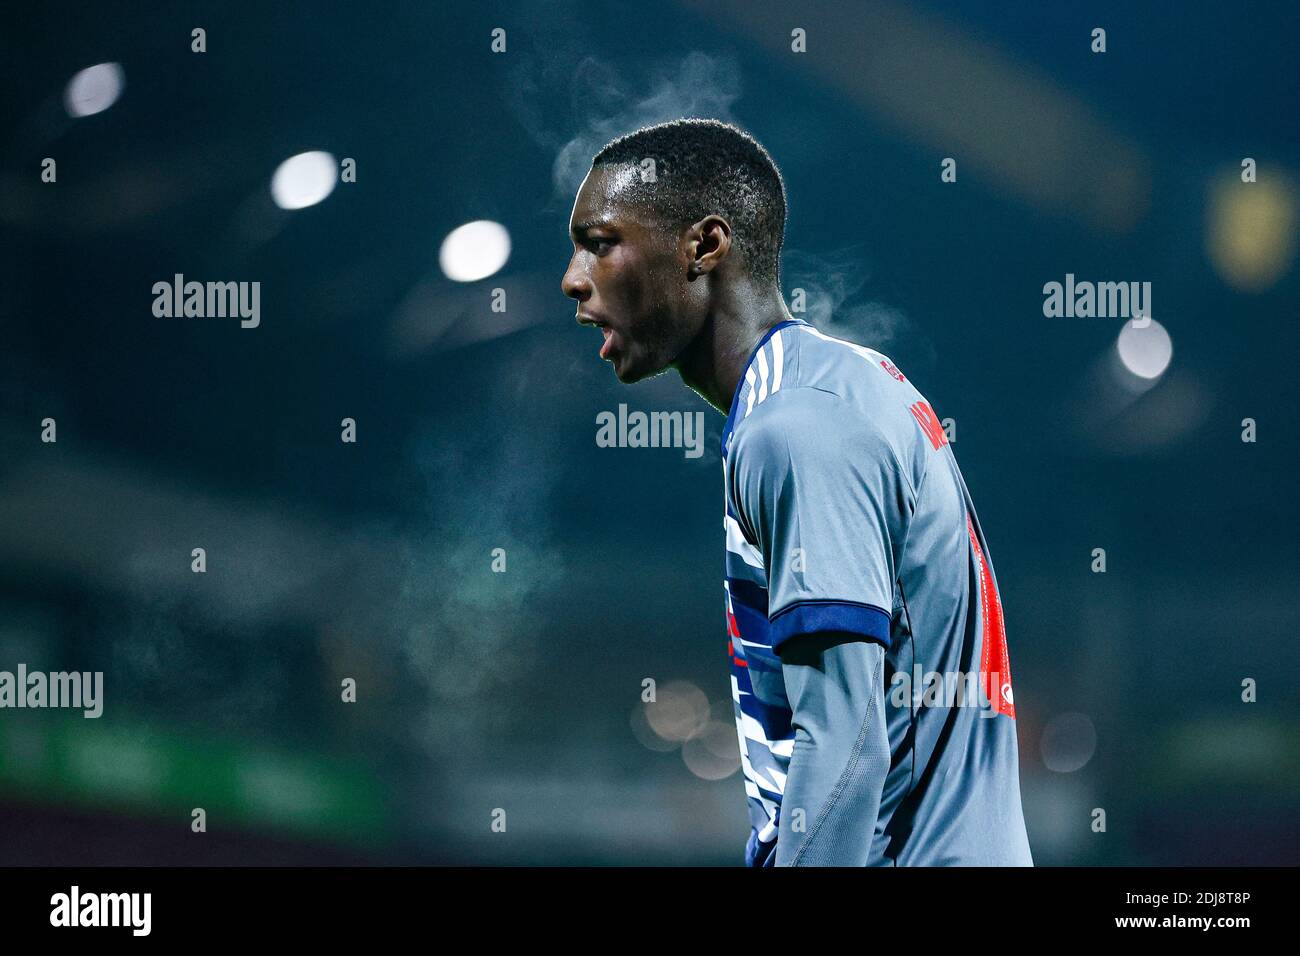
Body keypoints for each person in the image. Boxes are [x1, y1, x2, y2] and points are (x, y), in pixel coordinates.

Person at [562, 118, 1032, 866]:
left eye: (600, 241)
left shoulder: (795, 427)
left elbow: (845, 748)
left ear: (703, 247)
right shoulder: (844, 384)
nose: (574, 277)